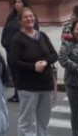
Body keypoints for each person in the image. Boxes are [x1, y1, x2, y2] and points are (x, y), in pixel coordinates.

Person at [8, 7, 58, 136]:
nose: (29, 19)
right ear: (20, 21)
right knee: (27, 122)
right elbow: (14, 62)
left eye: (31, 16)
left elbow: (54, 55)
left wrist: (45, 62)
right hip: (28, 87)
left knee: (44, 122)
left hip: (46, 86)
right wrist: (33, 66)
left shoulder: (42, 36)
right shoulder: (17, 39)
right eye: (26, 17)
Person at [1, 0, 36, 103]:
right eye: (16, 2)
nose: (17, 4)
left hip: (21, 51)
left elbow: (34, 33)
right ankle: (17, 93)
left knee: (20, 72)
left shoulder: (29, 18)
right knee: (13, 72)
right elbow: (6, 30)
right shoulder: (12, 16)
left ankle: (22, 93)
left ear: (24, 4)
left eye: (19, 2)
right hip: (9, 50)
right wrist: (4, 42)